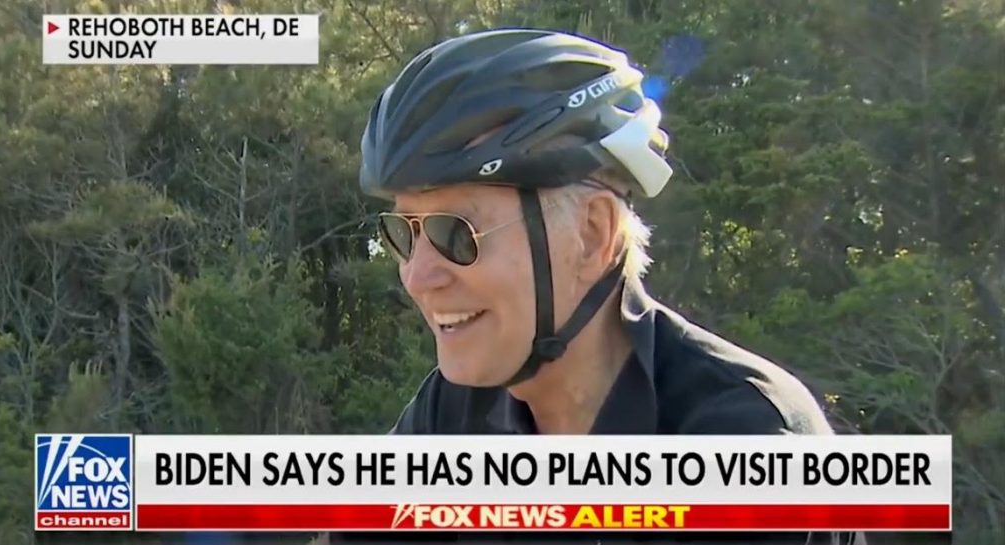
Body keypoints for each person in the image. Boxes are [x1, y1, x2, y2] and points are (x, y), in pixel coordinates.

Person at [346, 27, 866, 545]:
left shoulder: (747, 446)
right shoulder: (454, 412)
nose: (417, 276)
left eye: (456, 233)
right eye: (404, 232)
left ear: (591, 234)